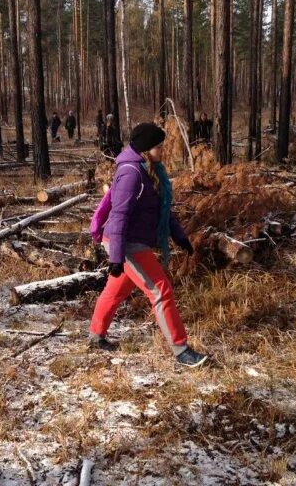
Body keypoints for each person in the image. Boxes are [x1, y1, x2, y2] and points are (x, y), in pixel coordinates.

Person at [89, 122, 208, 368]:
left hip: (131, 241)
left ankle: (95, 336)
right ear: (146, 148)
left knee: (116, 290)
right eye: (159, 146)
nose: (163, 150)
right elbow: (120, 215)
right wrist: (116, 258)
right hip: (125, 243)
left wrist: (179, 236)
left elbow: (160, 209)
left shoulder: (149, 169)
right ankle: (181, 350)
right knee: (161, 289)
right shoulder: (131, 174)